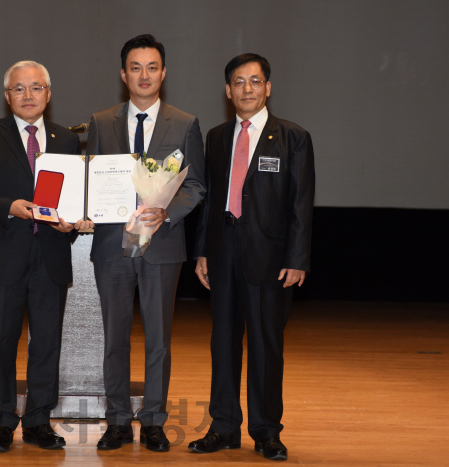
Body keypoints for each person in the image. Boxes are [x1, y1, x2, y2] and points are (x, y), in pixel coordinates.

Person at [77, 34, 205, 452]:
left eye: (152, 67)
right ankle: (117, 421)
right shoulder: (100, 121)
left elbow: (197, 185)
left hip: (163, 246)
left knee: (159, 338)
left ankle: (152, 420)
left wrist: (168, 212)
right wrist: (87, 211)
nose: (144, 75)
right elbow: (90, 183)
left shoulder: (185, 124)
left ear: (163, 73)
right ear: (123, 74)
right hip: (112, 246)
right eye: (136, 67)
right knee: (113, 336)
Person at [188, 53, 315, 461]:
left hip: (270, 256)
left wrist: (298, 258)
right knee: (222, 342)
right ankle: (224, 426)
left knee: (265, 345)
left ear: (268, 87)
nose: (247, 89)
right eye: (239, 82)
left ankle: (265, 431)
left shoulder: (293, 137)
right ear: (227, 91)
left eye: (255, 81)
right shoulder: (218, 136)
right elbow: (208, 201)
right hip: (223, 252)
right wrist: (203, 252)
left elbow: (301, 203)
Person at [0, 60, 83, 453]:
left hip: (51, 255)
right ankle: (1, 422)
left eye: (36, 88)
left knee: (47, 342)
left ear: (48, 93)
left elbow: (73, 196)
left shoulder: (66, 139)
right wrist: (9, 205)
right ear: (7, 95)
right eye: (19, 89)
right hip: (2, 256)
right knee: (0, 342)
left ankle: (39, 421)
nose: (27, 96)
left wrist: (72, 221)